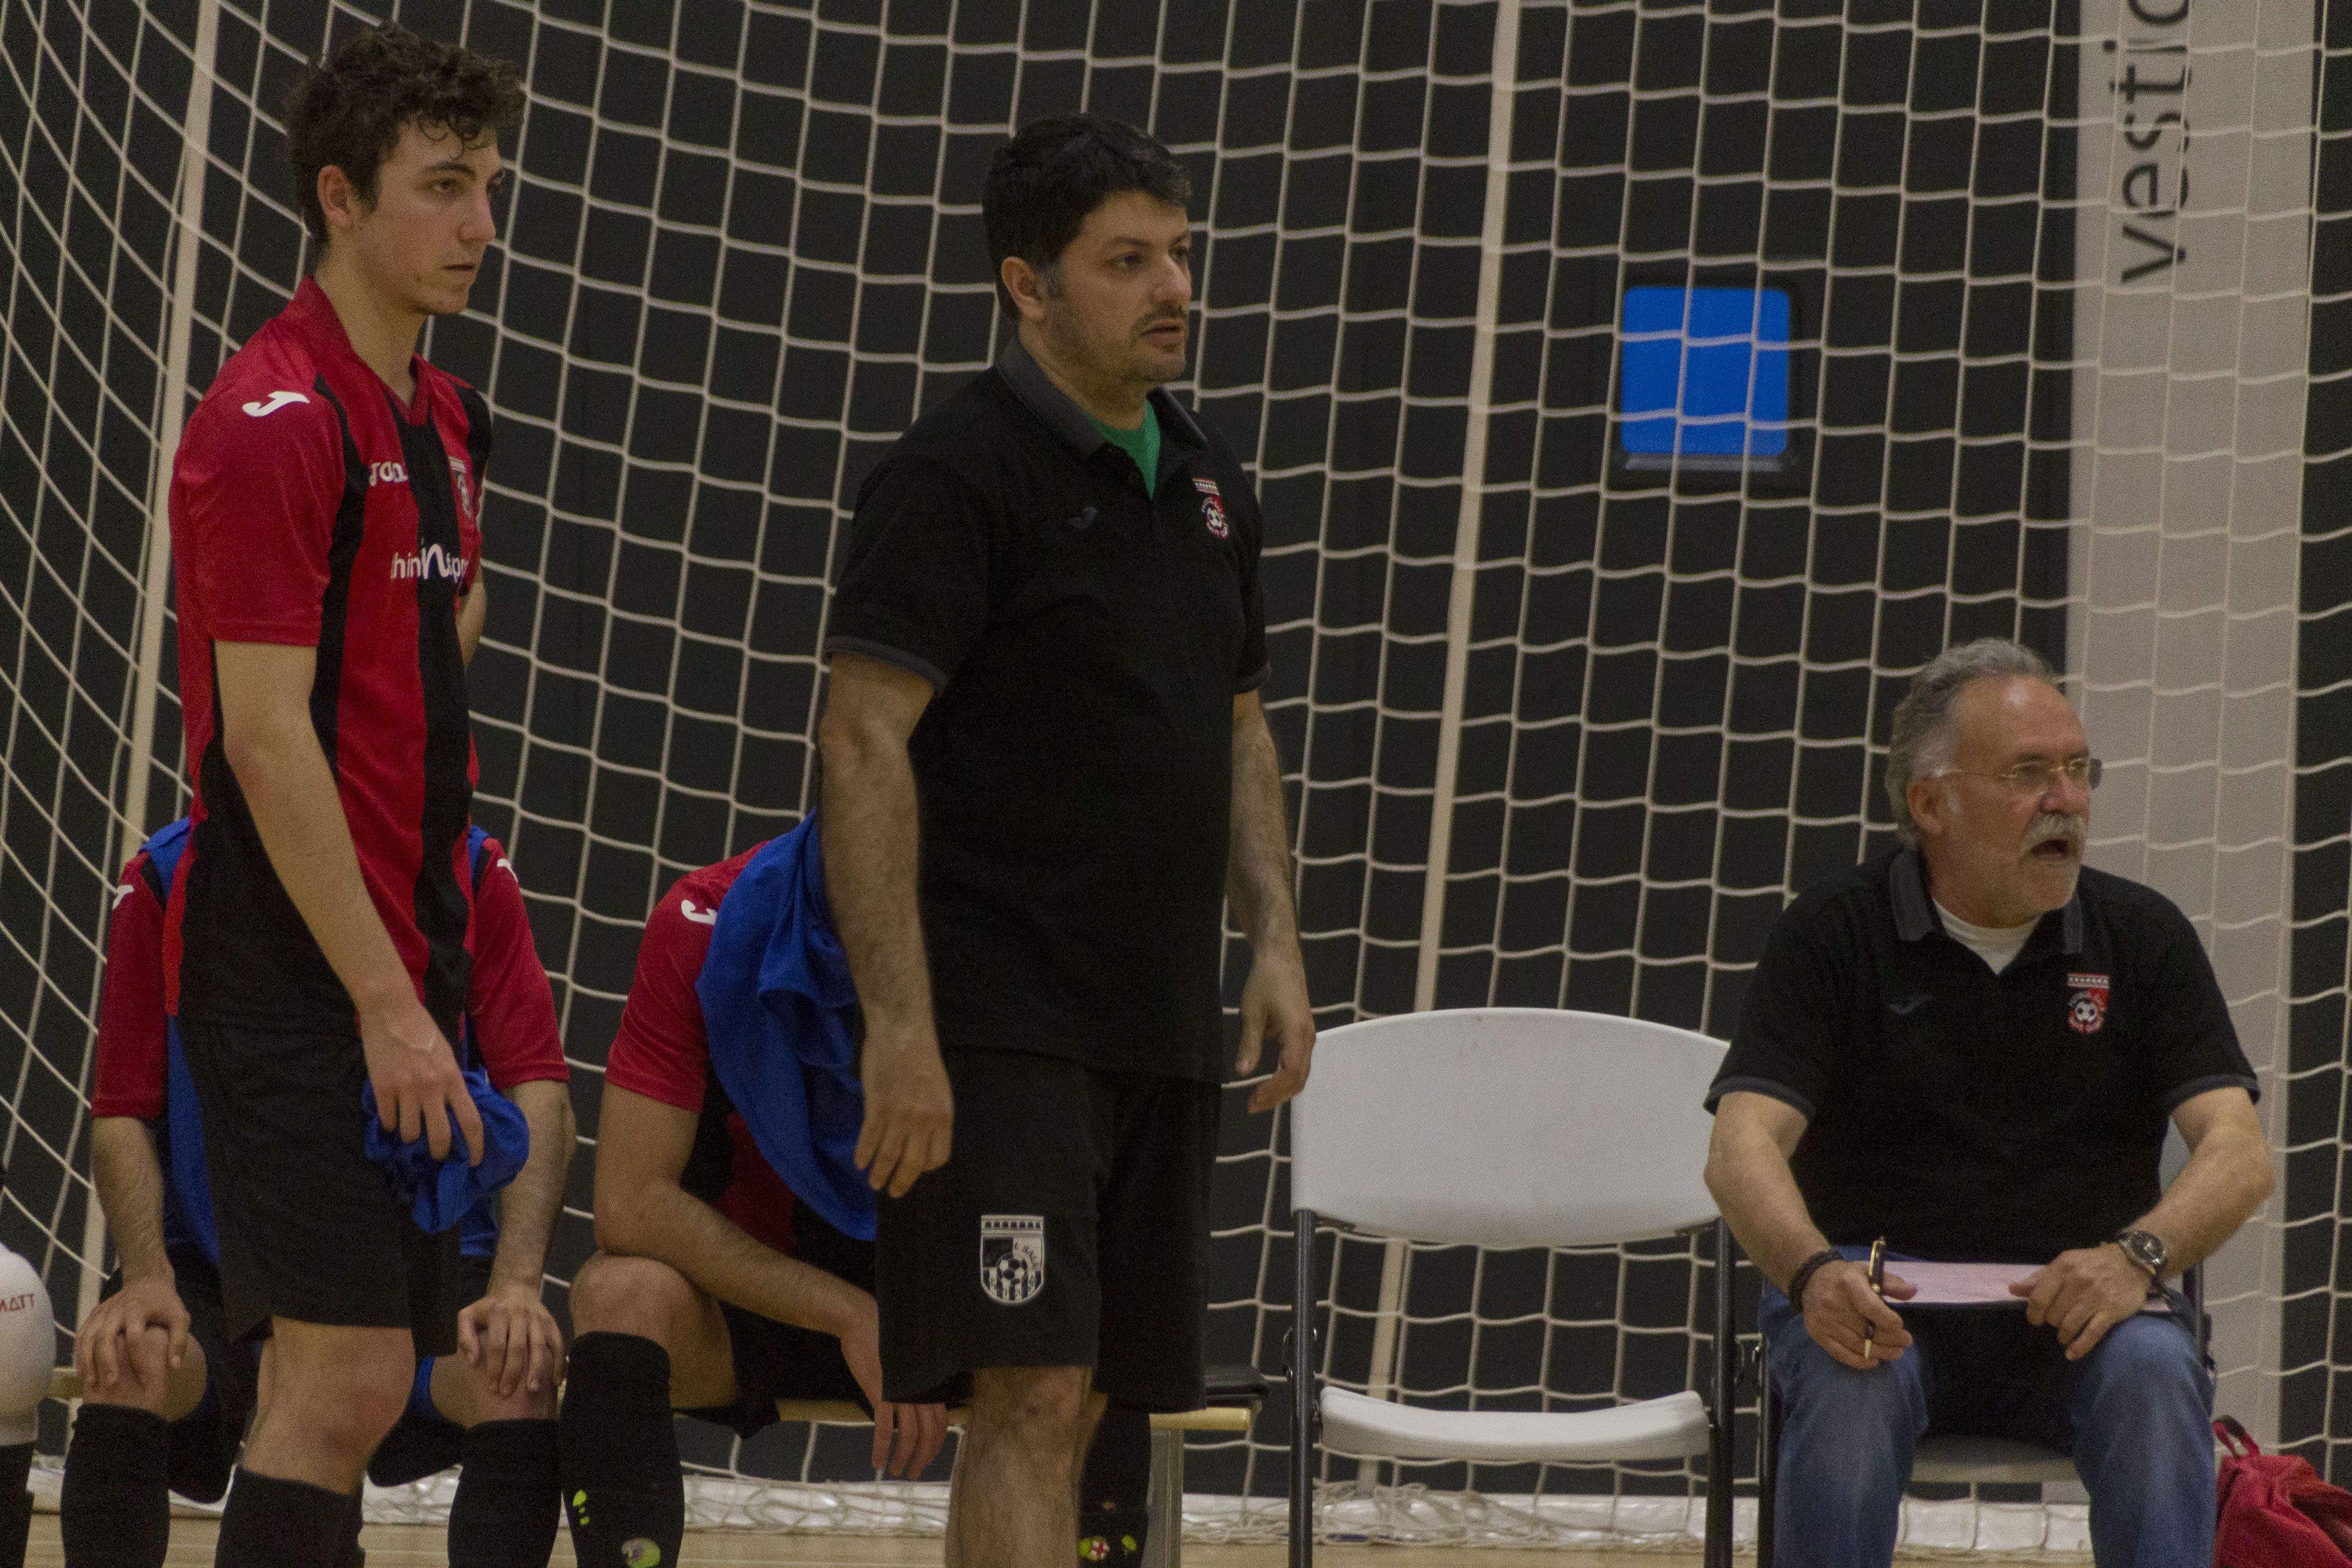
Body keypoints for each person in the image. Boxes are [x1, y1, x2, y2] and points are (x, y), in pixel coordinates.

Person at [817, 114, 1316, 1567]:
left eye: (1180, 254)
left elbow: (1237, 727)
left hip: (1156, 1026)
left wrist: (1273, 940)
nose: (1175, 286)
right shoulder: (953, 475)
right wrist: (903, 1027)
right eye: (1128, 261)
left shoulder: (1214, 482)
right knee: (1027, 1391)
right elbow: (860, 743)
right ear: (1028, 286)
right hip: (999, 1027)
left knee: (1099, 1401)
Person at [158, 23, 524, 1566]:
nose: (481, 228)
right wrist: (385, 1000)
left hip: (407, 947)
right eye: (443, 189)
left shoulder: (440, 419)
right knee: (337, 1378)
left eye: (489, 188)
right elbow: (263, 735)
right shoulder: (272, 422)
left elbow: (431, 655)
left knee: (366, 1385)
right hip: (299, 965)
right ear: (339, 198)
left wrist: (426, 964)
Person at [1704, 638, 2277, 1567]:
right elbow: (1741, 1150)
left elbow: (2240, 1154)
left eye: (2077, 771)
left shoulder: (2143, 935)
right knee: (1849, 1386)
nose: (2066, 800)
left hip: (2082, 1306)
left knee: (2155, 1369)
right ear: (1930, 803)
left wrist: (2137, 1257)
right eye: (2027, 774)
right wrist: (1813, 1278)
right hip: (1873, 1302)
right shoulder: (1831, 933)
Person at [62, 818, 573, 1568]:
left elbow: (539, 1087)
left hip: (419, 1260)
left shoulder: (465, 866)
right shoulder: (170, 876)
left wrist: (519, 1283)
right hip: (222, 1264)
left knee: (515, 1372)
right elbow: (121, 1111)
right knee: (128, 1362)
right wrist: (145, 1278)